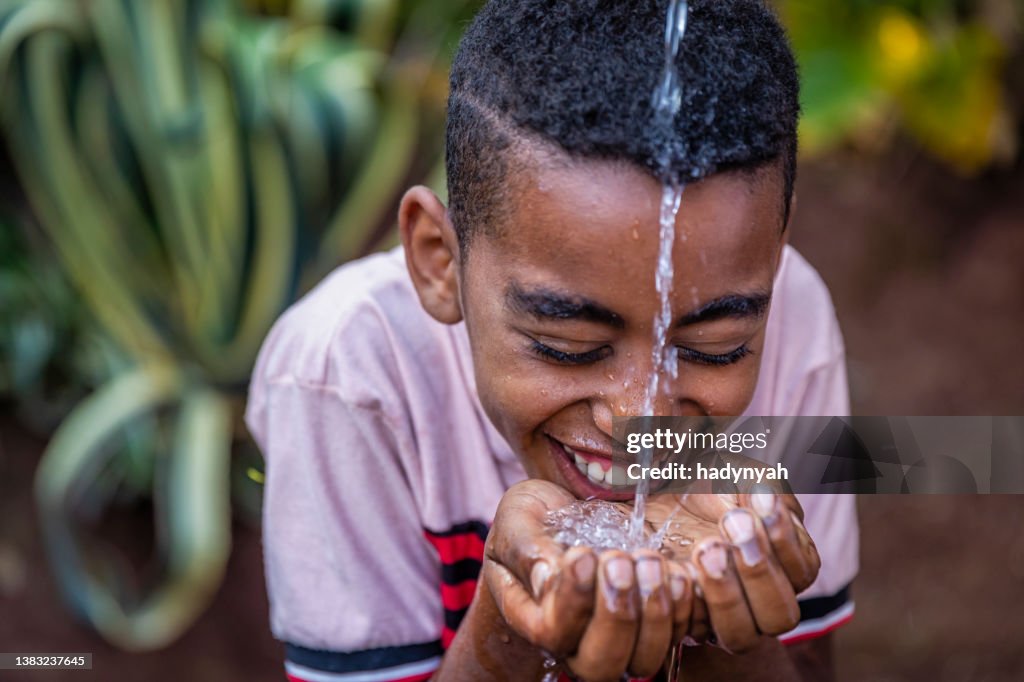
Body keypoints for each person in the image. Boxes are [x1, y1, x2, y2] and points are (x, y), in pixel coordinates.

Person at [245, 0, 859, 679]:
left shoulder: (789, 312)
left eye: (713, 350)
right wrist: (509, 630)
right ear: (439, 262)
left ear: (775, 249)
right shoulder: (348, 372)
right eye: (568, 347)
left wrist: (718, 623)